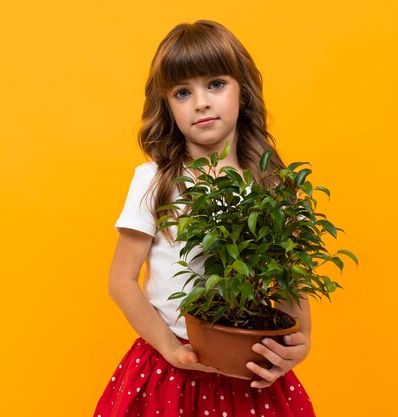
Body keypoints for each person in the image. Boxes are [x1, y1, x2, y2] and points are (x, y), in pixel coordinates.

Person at [93, 21, 316, 417]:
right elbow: (121, 280)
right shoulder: (156, 179)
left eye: (215, 84)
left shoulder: (271, 184)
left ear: (243, 92)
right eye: (183, 92)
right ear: (167, 106)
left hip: (250, 374)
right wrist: (168, 346)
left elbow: (288, 281)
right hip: (169, 370)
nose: (201, 102)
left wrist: (301, 341)